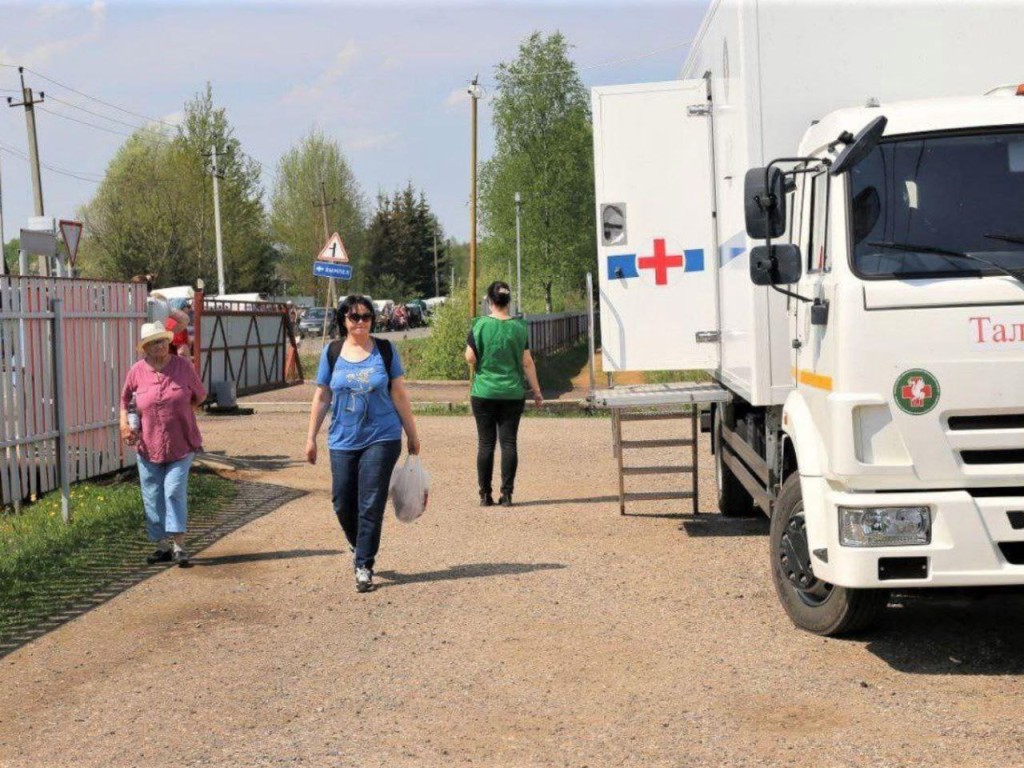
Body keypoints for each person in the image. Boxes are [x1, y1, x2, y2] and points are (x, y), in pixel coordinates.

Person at [305, 295, 421, 594]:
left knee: (370, 502)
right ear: (343, 319)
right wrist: (311, 438)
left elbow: (399, 394)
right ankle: (360, 546)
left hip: (382, 436)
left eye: (366, 316)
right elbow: (322, 396)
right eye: (354, 317)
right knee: (343, 501)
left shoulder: (384, 350)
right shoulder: (331, 352)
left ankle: (364, 565)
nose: (361, 322)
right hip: (342, 438)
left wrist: (412, 433)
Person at [120, 322, 207, 567]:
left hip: (182, 441)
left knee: (173, 491)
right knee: (152, 494)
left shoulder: (183, 366)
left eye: (162, 341)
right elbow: (124, 401)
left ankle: (179, 545)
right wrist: (124, 426)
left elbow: (200, 394)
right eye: (153, 343)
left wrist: (185, 411)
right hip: (148, 444)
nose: (159, 346)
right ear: (145, 348)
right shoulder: (136, 371)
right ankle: (161, 546)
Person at [465, 281, 543, 507]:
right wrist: (536, 391)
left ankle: (485, 495)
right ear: (508, 301)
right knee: (509, 443)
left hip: (484, 393)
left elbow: (470, 358)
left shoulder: (479, 325)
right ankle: (507, 494)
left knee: (485, 444)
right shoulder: (519, 327)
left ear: (489, 301)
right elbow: (527, 363)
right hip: (512, 393)